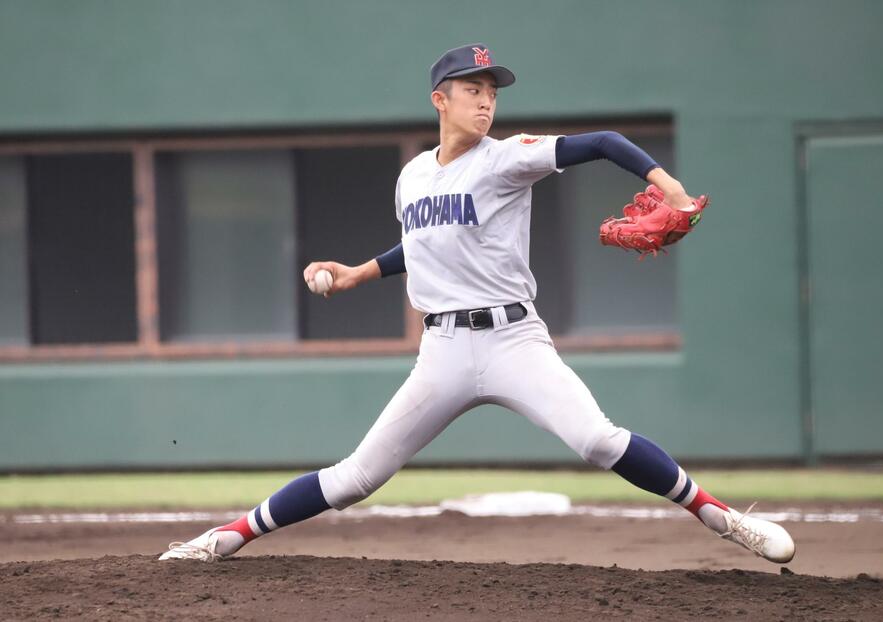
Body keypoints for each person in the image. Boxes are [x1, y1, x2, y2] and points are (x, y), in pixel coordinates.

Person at [160, 44, 795, 564]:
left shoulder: (508, 160)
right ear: (441, 100)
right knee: (356, 477)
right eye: (472, 88)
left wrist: (669, 185)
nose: (486, 98)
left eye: (492, 89)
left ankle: (721, 517)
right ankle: (225, 538)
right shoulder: (413, 175)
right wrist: (358, 272)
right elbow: (424, 244)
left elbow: (601, 141)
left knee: (598, 441)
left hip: (514, 340)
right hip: (442, 350)